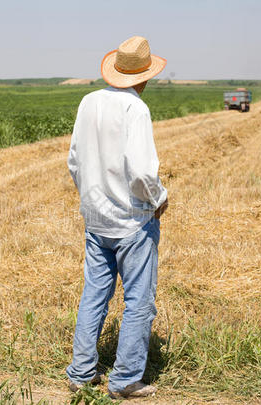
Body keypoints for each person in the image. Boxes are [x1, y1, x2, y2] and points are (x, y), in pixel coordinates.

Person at [65, 36, 168, 399]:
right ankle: (124, 380)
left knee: (94, 295)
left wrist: (92, 197)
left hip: (95, 221)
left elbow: (74, 161)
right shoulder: (136, 109)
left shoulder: (88, 101)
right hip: (132, 223)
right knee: (139, 301)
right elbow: (141, 173)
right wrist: (159, 199)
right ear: (145, 75)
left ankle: (80, 373)